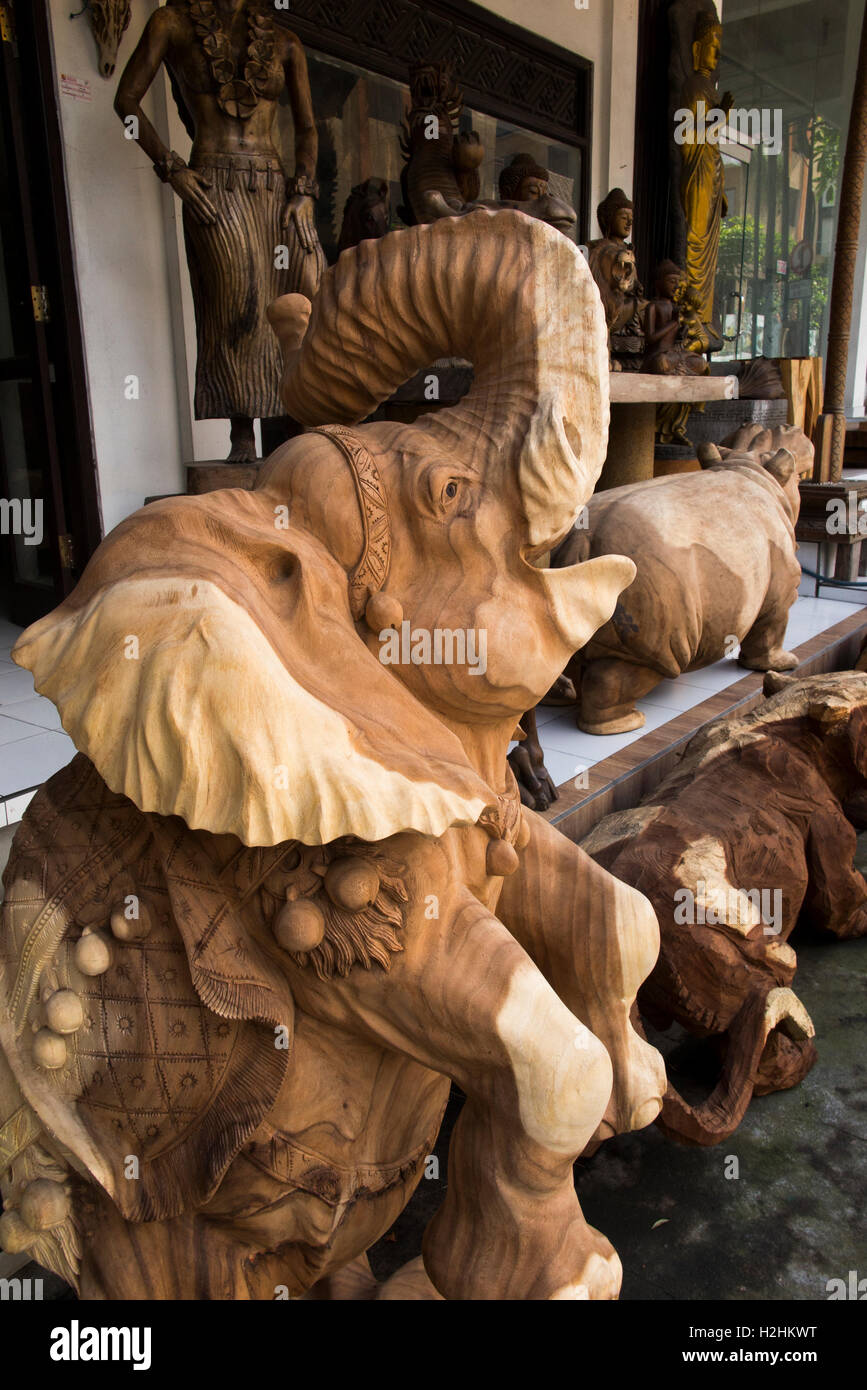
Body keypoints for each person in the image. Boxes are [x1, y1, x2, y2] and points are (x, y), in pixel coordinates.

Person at [115, 0, 326, 461]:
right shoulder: (171, 23)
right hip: (212, 182)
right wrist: (172, 168)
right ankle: (243, 435)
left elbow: (309, 129)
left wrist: (305, 191)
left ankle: (309, 418)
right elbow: (126, 101)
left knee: (305, 290)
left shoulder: (285, 40)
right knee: (237, 305)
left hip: (275, 185)